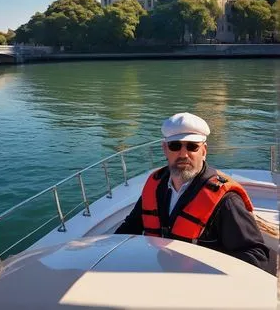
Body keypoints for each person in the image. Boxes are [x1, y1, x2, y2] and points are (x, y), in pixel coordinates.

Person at [115, 112, 271, 272]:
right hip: (160, 272)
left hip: (202, 285)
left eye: (192, 146)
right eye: (175, 145)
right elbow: (130, 227)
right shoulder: (156, 186)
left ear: (203, 151)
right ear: (164, 149)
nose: (183, 154)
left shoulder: (227, 201)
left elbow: (256, 257)